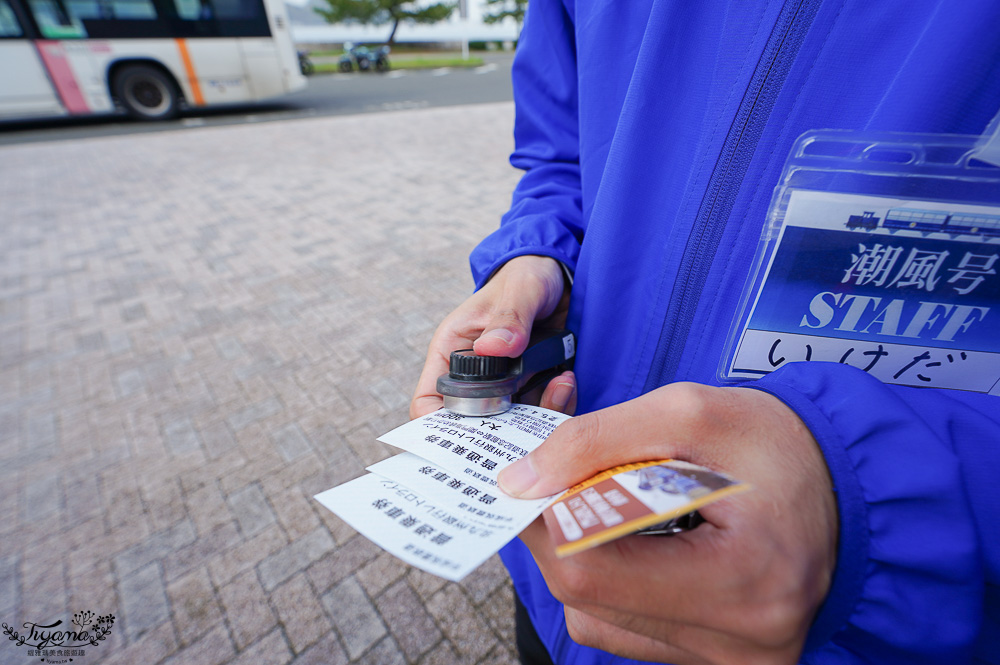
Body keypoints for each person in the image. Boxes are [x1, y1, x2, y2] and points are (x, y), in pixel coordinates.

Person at [410, 2, 1000, 663]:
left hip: (853, 631)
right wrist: (535, 259)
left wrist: (871, 497)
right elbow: (559, 156)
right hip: (557, 582)